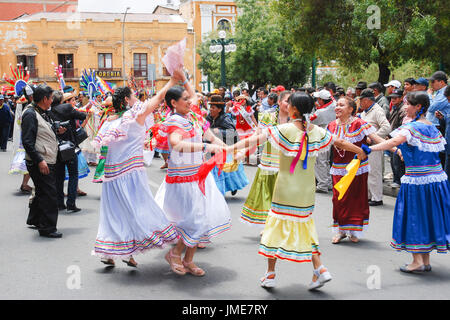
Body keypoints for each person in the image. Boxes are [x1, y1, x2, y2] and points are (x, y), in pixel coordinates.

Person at [228, 92, 366, 290]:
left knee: (274, 229)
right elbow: (341, 143)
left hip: (284, 189)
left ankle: (270, 274)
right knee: (306, 228)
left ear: (293, 109)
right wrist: (360, 151)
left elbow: (254, 140)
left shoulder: (283, 129)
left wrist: (229, 149)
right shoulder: (317, 131)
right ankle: (320, 269)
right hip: (306, 191)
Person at [92, 76, 182, 267]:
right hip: (130, 173)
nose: (138, 99)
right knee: (138, 211)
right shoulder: (133, 116)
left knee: (114, 214)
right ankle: (126, 251)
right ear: (126, 100)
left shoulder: (109, 120)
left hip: (112, 175)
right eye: (134, 96)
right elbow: (158, 99)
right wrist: (172, 81)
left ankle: (112, 252)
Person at [155, 71, 231, 277]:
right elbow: (176, 144)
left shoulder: (194, 118)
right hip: (181, 180)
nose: (190, 101)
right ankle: (175, 253)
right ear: (173, 103)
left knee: (201, 219)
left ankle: (187, 259)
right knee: (193, 220)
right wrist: (206, 147)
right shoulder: (175, 122)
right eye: (185, 99)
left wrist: (230, 150)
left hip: (199, 177)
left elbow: (212, 139)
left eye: (189, 99)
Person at [368, 91, 449, 273]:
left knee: (414, 217)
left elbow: (394, 141)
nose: (405, 107)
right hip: (436, 181)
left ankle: (417, 261)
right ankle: (424, 259)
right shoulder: (431, 126)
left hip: (417, 181)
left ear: (418, 106)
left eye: (408, 104)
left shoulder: (411, 128)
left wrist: (369, 149)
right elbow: (400, 146)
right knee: (428, 217)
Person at [328, 97, 382, 243]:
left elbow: (375, 138)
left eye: (341, 105)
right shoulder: (331, 125)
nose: (337, 107)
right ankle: (340, 230)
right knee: (338, 198)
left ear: (351, 109)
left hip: (357, 167)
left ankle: (353, 231)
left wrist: (395, 148)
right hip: (338, 168)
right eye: (337, 105)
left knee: (356, 198)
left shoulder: (359, 123)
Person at [240, 90, 290, 226]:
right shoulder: (268, 117)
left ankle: (283, 224)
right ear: (279, 102)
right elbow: (258, 135)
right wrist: (243, 151)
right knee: (267, 195)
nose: (290, 104)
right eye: (287, 100)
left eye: (292, 101)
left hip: (289, 165)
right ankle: (270, 224)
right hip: (269, 162)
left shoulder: (297, 121)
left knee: (286, 196)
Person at [22, 85, 63, 238]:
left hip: (46, 158)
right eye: (51, 98)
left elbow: (41, 132)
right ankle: (47, 228)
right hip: (40, 160)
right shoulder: (30, 114)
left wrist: (56, 130)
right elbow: (27, 141)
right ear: (44, 99)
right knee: (49, 194)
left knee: (41, 191)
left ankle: (35, 220)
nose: (52, 101)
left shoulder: (40, 112)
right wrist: (39, 160)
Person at [50, 90, 87, 213]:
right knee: (73, 174)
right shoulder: (66, 107)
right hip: (69, 146)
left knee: (59, 177)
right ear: (62, 99)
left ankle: (60, 203)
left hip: (56, 146)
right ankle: (71, 203)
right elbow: (82, 116)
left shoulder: (48, 111)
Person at [206, 95, 248, 196]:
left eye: (213, 107)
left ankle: (232, 187)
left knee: (229, 173)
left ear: (219, 109)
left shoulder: (225, 119)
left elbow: (232, 133)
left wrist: (218, 131)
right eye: (210, 107)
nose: (211, 109)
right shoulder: (208, 118)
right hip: (212, 149)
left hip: (225, 148)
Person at [359, 89, 392, 206]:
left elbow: (386, 127)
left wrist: (374, 137)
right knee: (366, 172)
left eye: (361, 100)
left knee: (374, 172)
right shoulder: (364, 112)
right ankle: (369, 195)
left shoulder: (377, 111)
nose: (360, 103)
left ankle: (377, 197)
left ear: (367, 100)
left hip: (374, 146)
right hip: (365, 147)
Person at [9, 86, 34, 193]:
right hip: (27, 136)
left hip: (24, 135)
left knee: (29, 163)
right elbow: (20, 120)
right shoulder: (25, 104)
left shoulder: (22, 101)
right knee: (30, 162)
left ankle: (25, 184)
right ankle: (26, 185)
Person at [311, 89, 336, 193]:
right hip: (331, 135)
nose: (317, 101)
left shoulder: (321, 112)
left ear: (322, 100)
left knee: (320, 161)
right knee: (325, 161)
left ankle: (322, 185)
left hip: (322, 137)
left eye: (318, 99)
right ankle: (328, 182)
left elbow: (310, 120)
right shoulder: (335, 105)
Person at [387, 88, 406, 188]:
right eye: (392, 98)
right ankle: (396, 179)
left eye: (395, 98)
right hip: (393, 138)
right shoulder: (395, 108)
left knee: (398, 162)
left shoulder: (403, 109)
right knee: (394, 161)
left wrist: (391, 135)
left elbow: (401, 126)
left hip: (399, 138)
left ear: (401, 98)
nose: (393, 100)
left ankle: (399, 181)